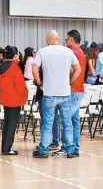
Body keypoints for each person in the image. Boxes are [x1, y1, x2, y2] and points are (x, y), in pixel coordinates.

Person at [32, 30, 82, 159]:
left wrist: (39, 83)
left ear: (48, 40)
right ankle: (70, 150)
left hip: (49, 93)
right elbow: (78, 70)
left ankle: (43, 150)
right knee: (67, 123)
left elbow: (34, 69)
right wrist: (70, 82)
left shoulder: (43, 51)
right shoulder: (68, 51)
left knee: (48, 124)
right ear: (58, 38)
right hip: (65, 93)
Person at [52, 30, 86, 158]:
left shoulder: (72, 53)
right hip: (79, 90)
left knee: (65, 120)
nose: (65, 42)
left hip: (73, 90)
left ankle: (67, 147)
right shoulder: (82, 53)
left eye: (66, 40)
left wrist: (69, 83)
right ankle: (75, 147)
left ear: (71, 40)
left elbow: (72, 71)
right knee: (74, 121)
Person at [0, 46, 28, 155]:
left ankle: (5, 147)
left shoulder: (1, 67)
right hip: (15, 99)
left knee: (7, 123)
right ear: (14, 56)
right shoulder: (14, 68)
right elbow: (20, 86)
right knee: (12, 124)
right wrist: (25, 92)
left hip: (5, 98)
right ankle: (7, 148)